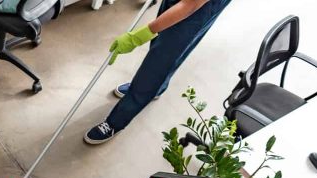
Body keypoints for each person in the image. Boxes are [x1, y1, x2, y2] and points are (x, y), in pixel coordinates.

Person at [84, 0, 232, 144]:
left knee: (159, 63)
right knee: (163, 41)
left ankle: (115, 122)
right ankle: (156, 89)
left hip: (197, 7)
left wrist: (140, 35)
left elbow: (190, 4)